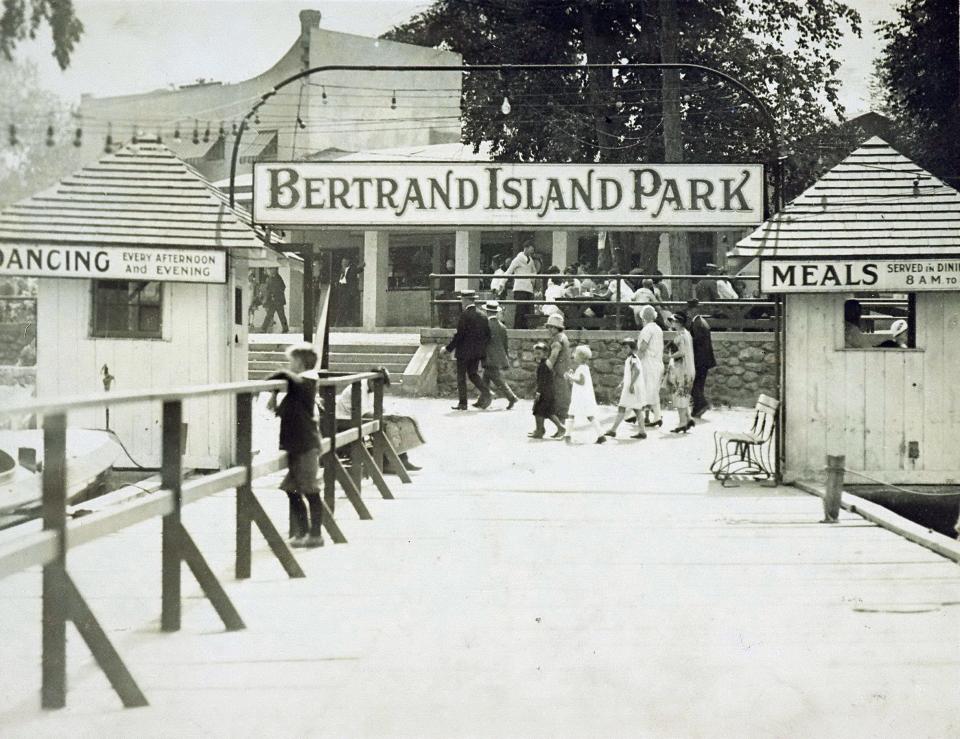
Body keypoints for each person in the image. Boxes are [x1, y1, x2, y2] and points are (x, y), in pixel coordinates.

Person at [266, 342, 323, 548]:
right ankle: (303, 533)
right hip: (295, 444)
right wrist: (273, 394)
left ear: (301, 362)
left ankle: (315, 534)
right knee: (292, 489)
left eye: (292, 362)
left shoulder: (309, 380)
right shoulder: (298, 384)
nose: (289, 366)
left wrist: (278, 376)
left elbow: (291, 380)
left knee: (310, 488)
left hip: (306, 444)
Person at [331, 367, 422, 471]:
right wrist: (386, 417)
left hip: (357, 417)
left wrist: (390, 414)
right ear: (371, 381)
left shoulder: (371, 387)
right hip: (345, 419)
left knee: (397, 423)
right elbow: (365, 414)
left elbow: (377, 407)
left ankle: (402, 460)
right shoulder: (359, 388)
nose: (379, 389)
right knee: (387, 426)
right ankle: (388, 463)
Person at [441, 289, 491, 410]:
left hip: (463, 352)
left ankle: (463, 403)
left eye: (462, 300)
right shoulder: (483, 315)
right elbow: (488, 335)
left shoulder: (464, 315)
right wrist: (481, 350)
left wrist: (448, 349)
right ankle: (487, 393)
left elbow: (460, 335)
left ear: (466, 300)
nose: (461, 302)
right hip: (476, 352)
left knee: (461, 377)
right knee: (473, 374)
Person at [604, 338, 647, 439]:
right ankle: (642, 431)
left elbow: (636, 371)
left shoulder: (633, 358)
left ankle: (613, 430)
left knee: (623, 407)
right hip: (632, 386)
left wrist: (631, 384)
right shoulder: (630, 358)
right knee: (637, 409)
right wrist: (623, 383)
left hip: (632, 388)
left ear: (632, 348)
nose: (624, 349)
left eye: (626, 347)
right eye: (623, 347)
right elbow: (629, 373)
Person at [564, 344, 606, 444]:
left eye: (576, 354)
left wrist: (570, 377)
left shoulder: (582, 368)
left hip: (580, 396)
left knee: (572, 414)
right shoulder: (583, 367)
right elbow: (579, 380)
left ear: (581, 357)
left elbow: (581, 382)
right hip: (582, 395)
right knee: (587, 415)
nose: (574, 355)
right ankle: (601, 435)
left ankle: (567, 436)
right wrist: (572, 376)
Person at [482, 300, 519, 410]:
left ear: (487, 312)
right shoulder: (502, 326)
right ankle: (482, 400)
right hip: (499, 357)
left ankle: (512, 397)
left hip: (488, 356)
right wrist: (505, 357)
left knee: (497, 379)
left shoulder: (485, 325)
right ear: (496, 312)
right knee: (486, 378)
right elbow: (505, 344)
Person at [665, 311, 696, 434]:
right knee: (683, 394)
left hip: (683, 369)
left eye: (673, 321)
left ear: (678, 322)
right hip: (685, 368)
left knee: (680, 395)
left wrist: (670, 356)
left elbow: (682, 352)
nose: (672, 323)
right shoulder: (684, 334)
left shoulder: (682, 335)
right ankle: (688, 418)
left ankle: (682, 422)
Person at [686, 299, 716, 419]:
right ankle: (697, 408)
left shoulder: (697, 323)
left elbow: (696, 341)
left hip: (700, 359)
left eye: (690, 310)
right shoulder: (700, 322)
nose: (688, 313)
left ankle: (702, 404)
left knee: (695, 384)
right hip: (704, 359)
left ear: (694, 310)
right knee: (698, 384)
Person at [529, 342, 566, 439]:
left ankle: (545, 430)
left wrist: (538, 392)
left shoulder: (543, 365)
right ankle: (540, 430)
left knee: (539, 411)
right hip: (548, 392)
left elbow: (542, 381)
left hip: (545, 392)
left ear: (545, 354)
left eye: (539, 353)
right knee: (547, 412)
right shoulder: (544, 364)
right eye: (535, 353)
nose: (536, 355)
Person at [637, 304, 665, 428]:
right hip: (658, 362)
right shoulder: (658, 328)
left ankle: (652, 416)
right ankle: (655, 416)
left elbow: (643, 348)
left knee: (647, 390)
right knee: (653, 391)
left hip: (648, 363)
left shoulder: (646, 330)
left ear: (643, 317)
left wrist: (635, 360)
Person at [544, 312, 572, 422]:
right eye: (549, 327)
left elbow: (554, 355)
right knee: (562, 399)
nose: (550, 329)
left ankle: (562, 428)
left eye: (552, 327)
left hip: (559, 373)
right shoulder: (563, 337)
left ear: (558, 328)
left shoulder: (557, 339)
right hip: (563, 372)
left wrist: (546, 368)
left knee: (560, 400)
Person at [505, 241, 537, 328]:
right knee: (520, 311)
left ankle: (525, 330)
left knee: (528, 311)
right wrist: (501, 284)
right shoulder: (517, 259)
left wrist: (532, 280)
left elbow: (534, 271)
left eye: (532, 251)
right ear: (526, 248)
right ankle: (517, 329)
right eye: (531, 250)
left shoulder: (531, 261)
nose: (531, 252)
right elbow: (509, 271)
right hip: (520, 288)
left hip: (528, 289)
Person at [334, 256, 361, 326]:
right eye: (342, 262)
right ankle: (339, 322)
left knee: (348, 306)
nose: (343, 263)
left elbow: (358, 270)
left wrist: (363, 266)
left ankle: (347, 322)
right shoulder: (341, 270)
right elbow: (338, 278)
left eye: (344, 262)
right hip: (341, 289)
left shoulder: (352, 269)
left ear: (348, 262)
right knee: (340, 306)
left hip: (348, 290)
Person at [260, 267, 289, 333]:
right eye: (270, 269)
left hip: (278, 301)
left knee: (281, 315)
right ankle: (263, 328)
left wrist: (276, 294)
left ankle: (285, 328)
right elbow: (268, 288)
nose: (271, 270)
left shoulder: (279, 278)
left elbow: (283, 287)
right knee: (269, 315)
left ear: (276, 270)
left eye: (272, 269)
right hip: (273, 301)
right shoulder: (270, 278)